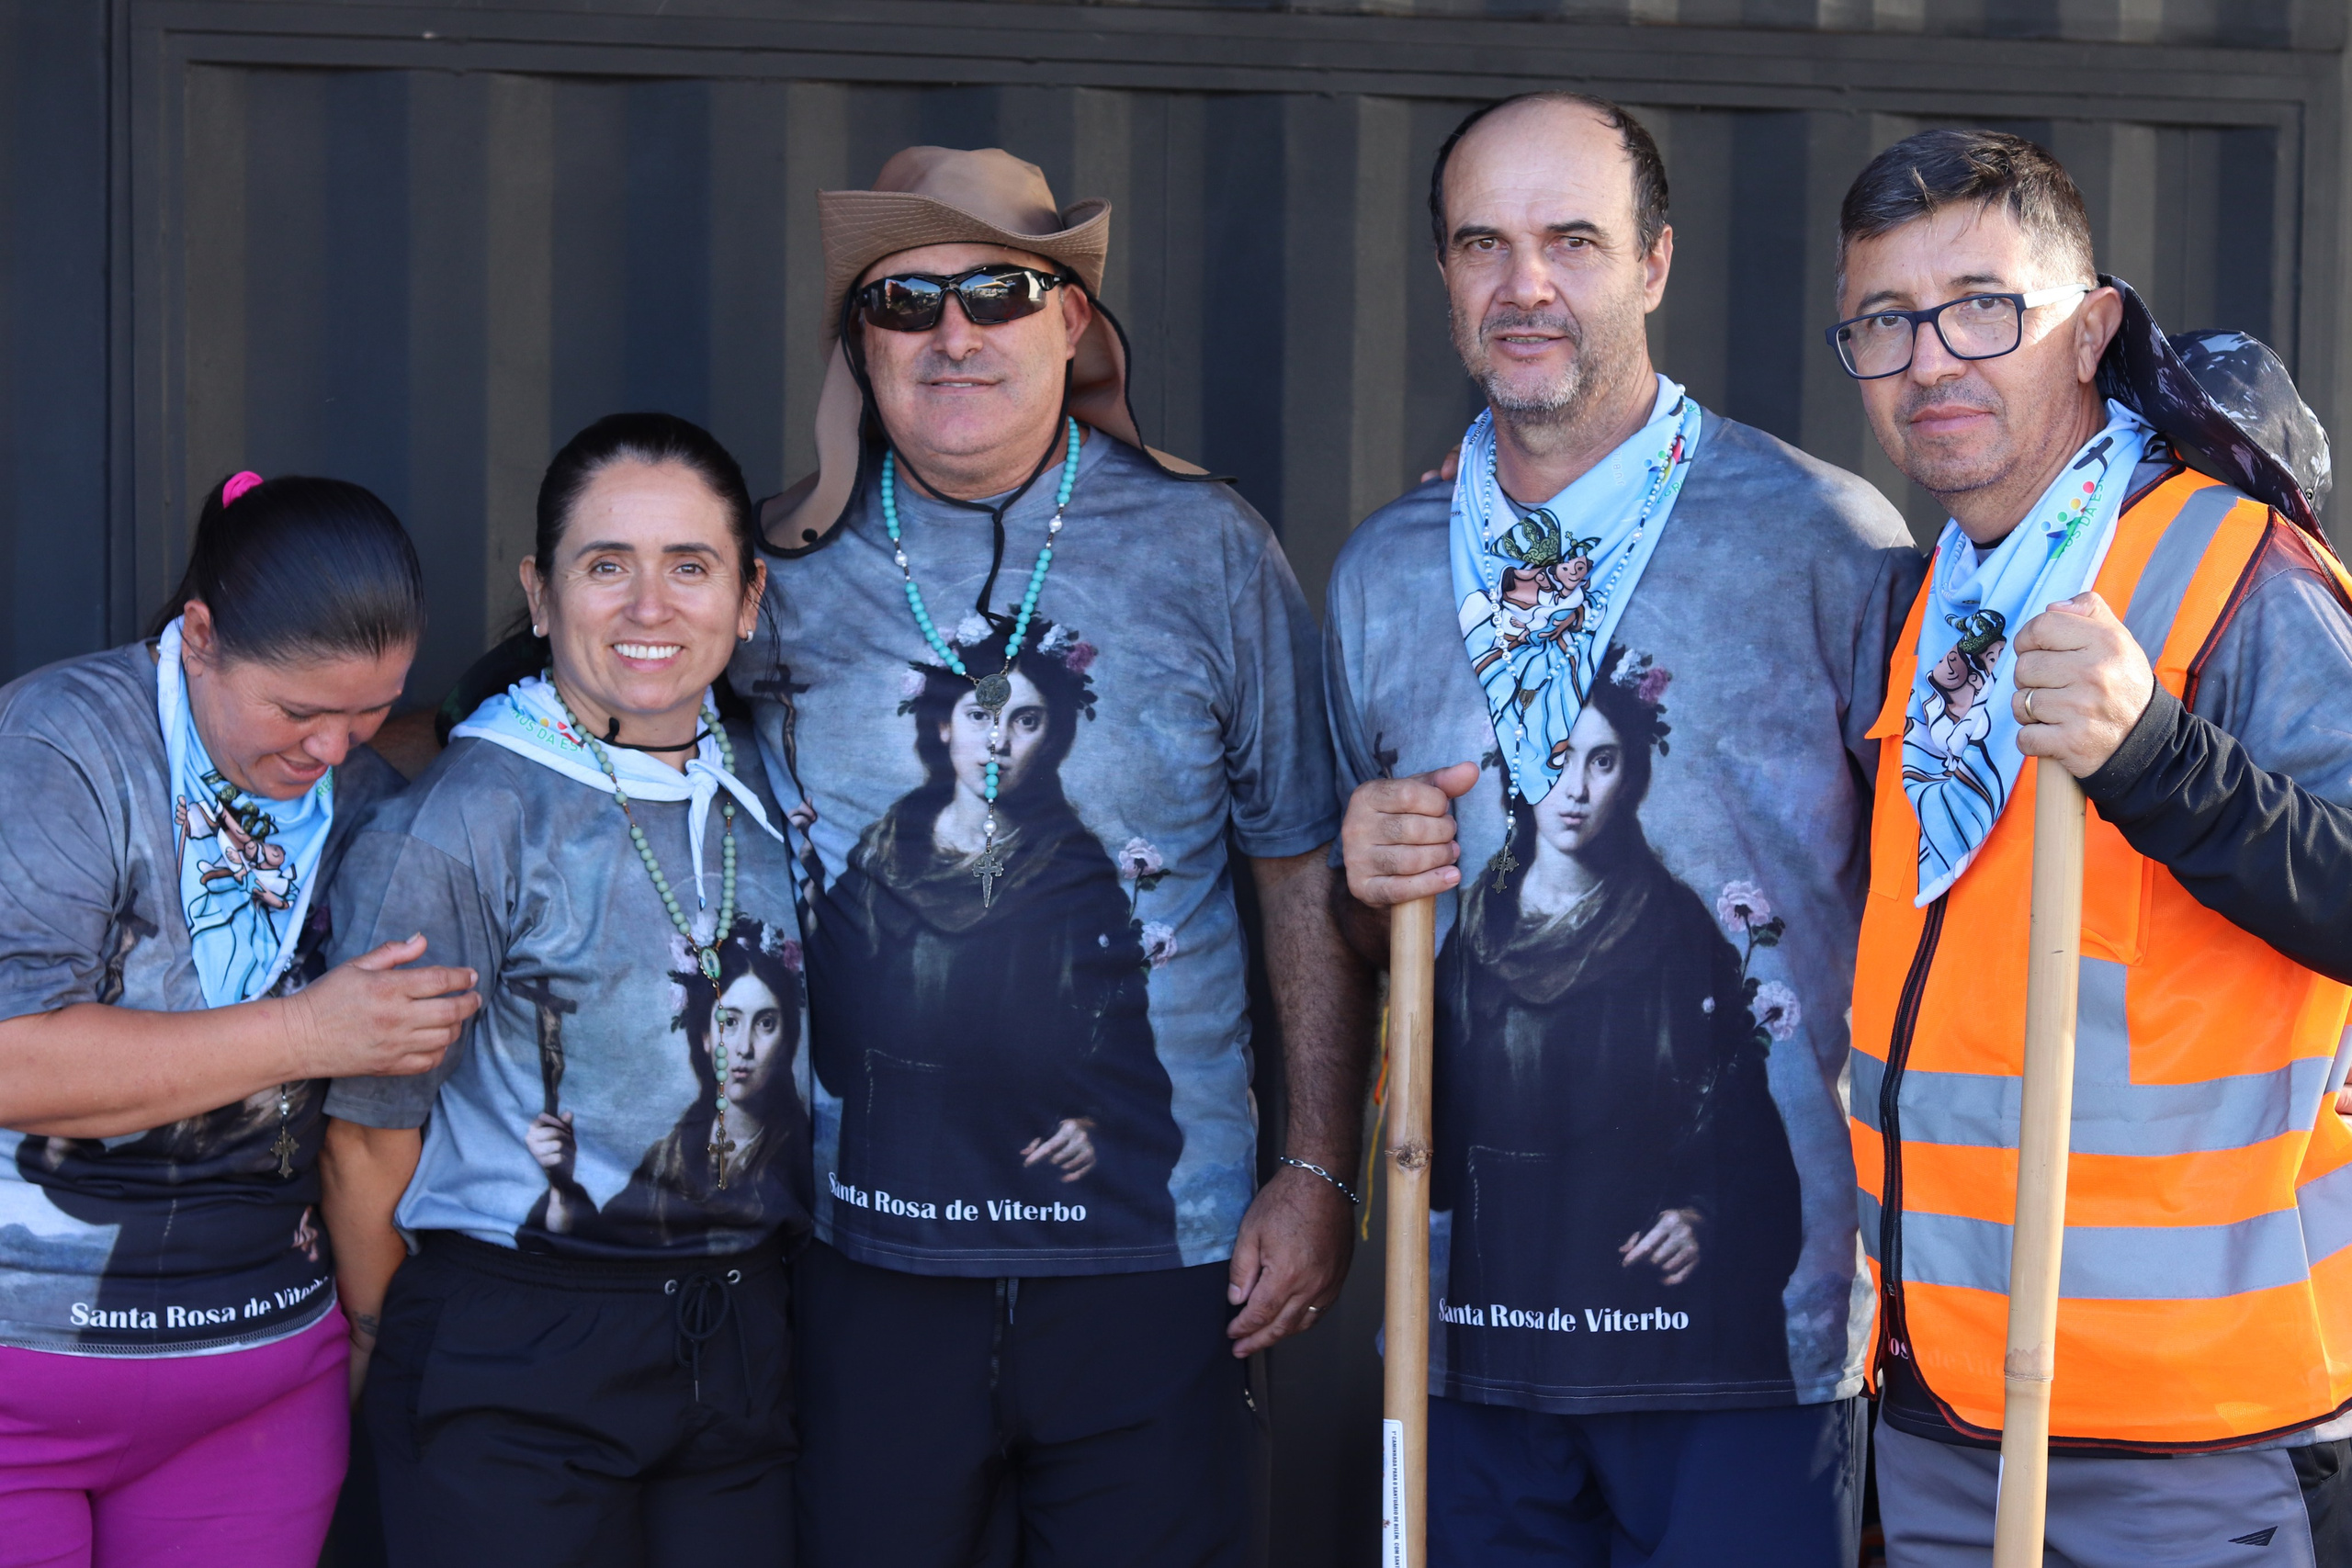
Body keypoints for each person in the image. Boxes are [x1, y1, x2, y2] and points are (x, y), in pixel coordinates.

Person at [737, 145, 1369, 1565]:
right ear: (861, 341)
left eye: (999, 290)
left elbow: (1296, 862)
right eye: (906, 301)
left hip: (1153, 1254)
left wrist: (1321, 1167)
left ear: (1071, 320)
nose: (954, 332)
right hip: (867, 1254)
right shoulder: (776, 562)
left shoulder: (1208, 545)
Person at [1329, 93, 1922, 1566]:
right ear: (1448, 277)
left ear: (1655, 262)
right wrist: (1360, 881)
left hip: (1746, 1324)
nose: (1525, 285)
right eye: (1486, 245)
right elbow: (1365, 940)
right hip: (1467, 1322)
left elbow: (1937, 887)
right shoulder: (1387, 569)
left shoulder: (1823, 538)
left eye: (1572, 242)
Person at [1831, 129, 2352, 1563]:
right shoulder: (1925, 602)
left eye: (1985, 306)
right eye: (1886, 320)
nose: (1933, 358)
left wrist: (2157, 759)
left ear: (2092, 328)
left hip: (2195, 1433)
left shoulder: (2233, 570)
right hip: (1943, 1413)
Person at [321, 412, 809, 1568]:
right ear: (541, 596)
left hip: (741, 1345)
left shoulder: (779, 783)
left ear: (746, 600)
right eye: (608, 565)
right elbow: (364, 1146)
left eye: (690, 566)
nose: (650, 607)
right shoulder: (465, 818)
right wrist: (393, 1343)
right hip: (517, 1349)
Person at [0, 471, 476, 1568]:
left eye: (369, 712)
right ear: (201, 638)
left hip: (254, 1386)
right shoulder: (67, 741)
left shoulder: (361, 800)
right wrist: (310, 1033)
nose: (332, 751)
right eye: (300, 711)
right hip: (25, 1378)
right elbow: (15, 1055)